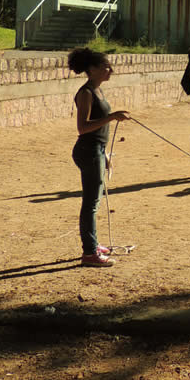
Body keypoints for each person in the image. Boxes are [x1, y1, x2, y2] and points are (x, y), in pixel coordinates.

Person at [68, 48, 131, 268]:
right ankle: (89, 253)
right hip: (88, 150)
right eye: (106, 67)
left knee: (94, 201)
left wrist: (105, 153)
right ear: (92, 69)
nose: (110, 70)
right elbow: (83, 127)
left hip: (97, 149)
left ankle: (93, 243)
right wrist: (112, 117)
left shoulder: (98, 90)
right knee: (91, 203)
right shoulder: (86, 93)